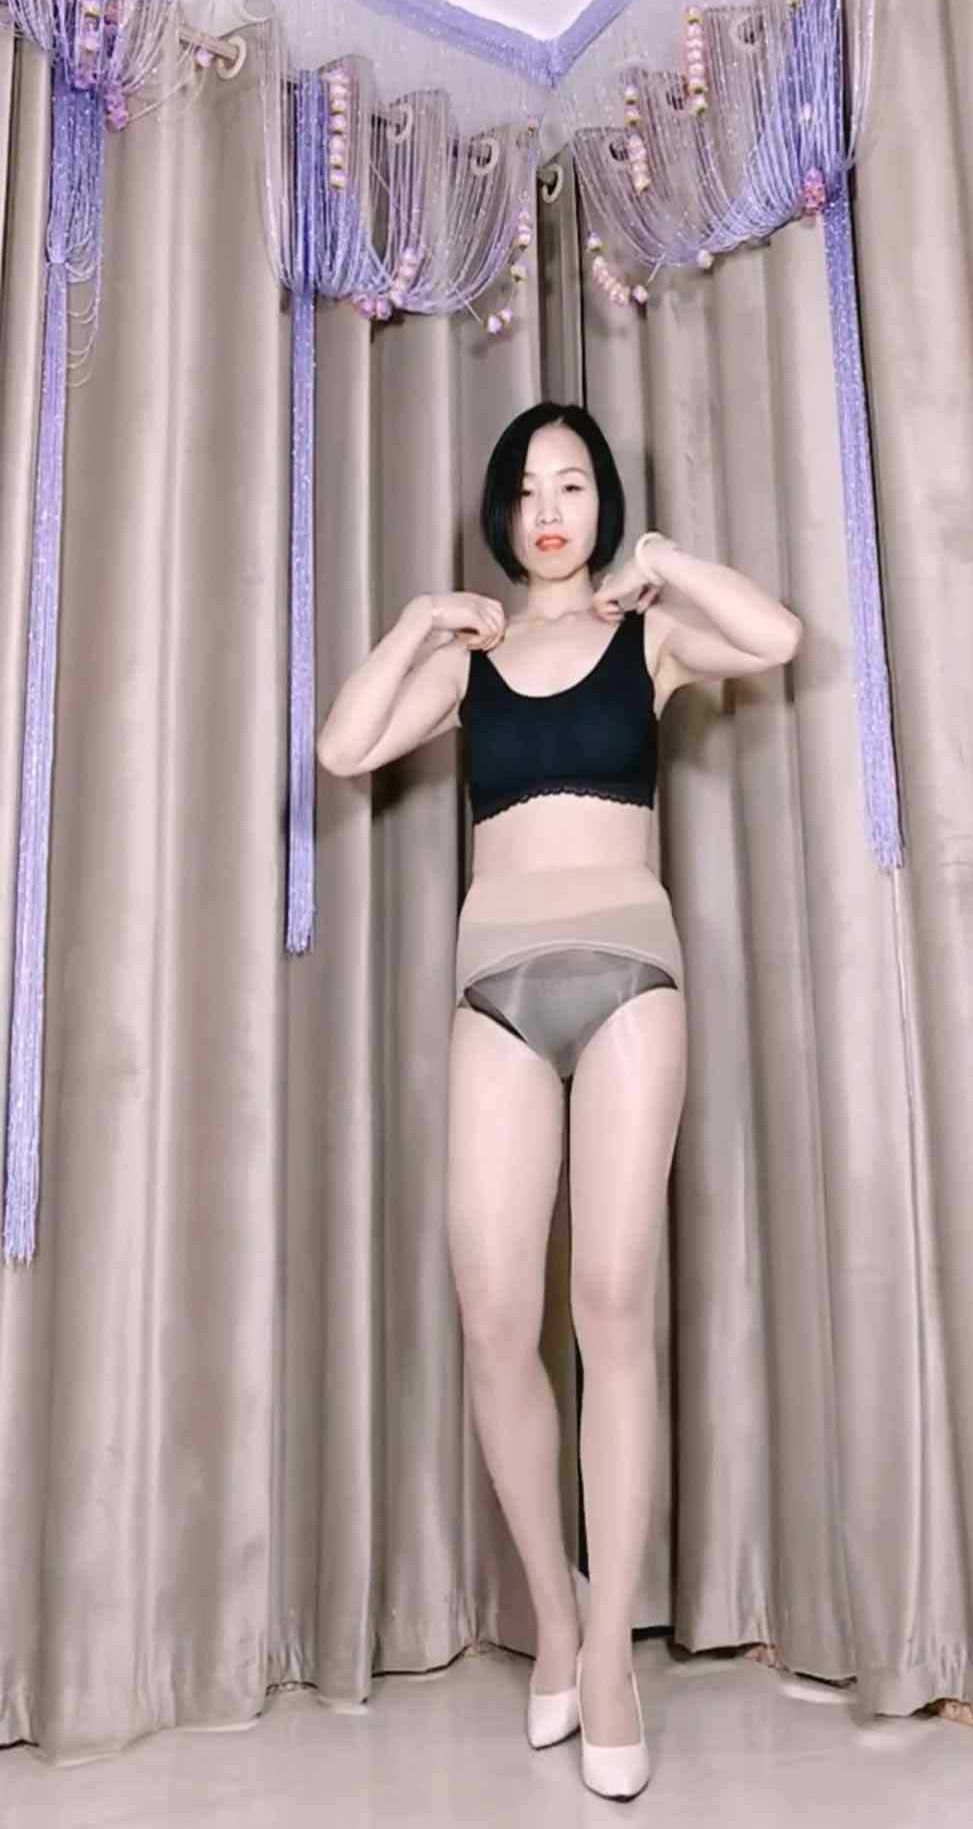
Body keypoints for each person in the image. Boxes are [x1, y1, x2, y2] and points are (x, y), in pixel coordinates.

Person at [317, 402, 802, 1800]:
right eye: (528, 487)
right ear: (499, 509)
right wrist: (419, 621)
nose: (549, 508)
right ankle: (559, 1615)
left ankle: (610, 1670)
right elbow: (345, 750)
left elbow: (774, 639)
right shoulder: (471, 662)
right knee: (491, 1316)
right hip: (496, 989)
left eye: (574, 484)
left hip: (632, 973)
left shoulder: (648, 638)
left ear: (602, 504)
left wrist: (666, 561)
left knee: (610, 1299)